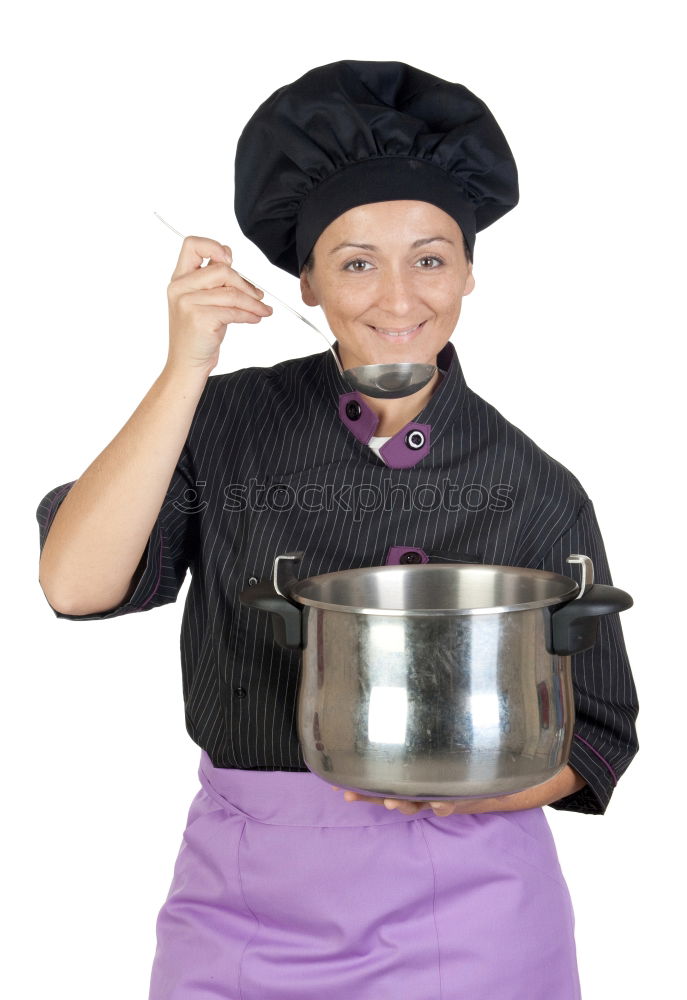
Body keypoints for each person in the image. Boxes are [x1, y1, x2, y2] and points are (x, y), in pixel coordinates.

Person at [36, 60, 639, 1000]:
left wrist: (459, 791)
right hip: (240, 903)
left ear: (470, 271)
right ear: (306, 282)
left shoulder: (534, 485)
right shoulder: (219, 423)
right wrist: (186, 363)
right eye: (356, 262)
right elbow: (76, 584)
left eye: (430, 257)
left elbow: (597, 731)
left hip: (468, 905)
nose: (399, 301)